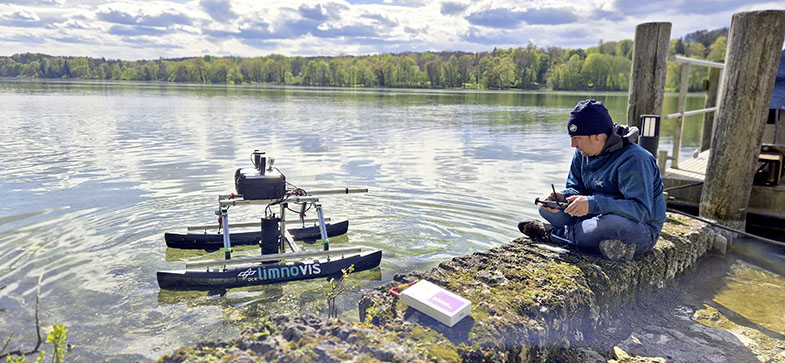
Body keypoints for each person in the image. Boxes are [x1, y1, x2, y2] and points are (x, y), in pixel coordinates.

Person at [518, 99, 666, 261]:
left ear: (597, 136)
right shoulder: (583, 153)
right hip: (594, 215)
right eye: (572, 137)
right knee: (545, 210)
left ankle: (553, 234)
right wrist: (563, 197)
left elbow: (641, 211)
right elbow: (575, 187)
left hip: (641, 228)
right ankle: (584, 238)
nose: (573, 144)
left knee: (604, 226)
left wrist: (593, 203)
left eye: (577, 138)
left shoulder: (635, 160)